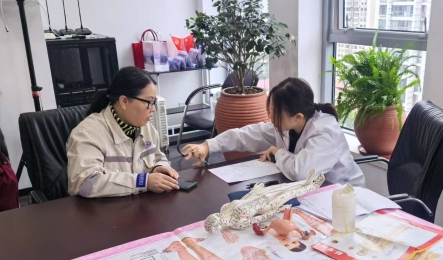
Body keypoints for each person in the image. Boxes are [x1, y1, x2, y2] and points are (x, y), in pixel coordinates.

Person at [184, 77, 365, 187]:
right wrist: (208, 146)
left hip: (345, 195)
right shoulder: (287, 124)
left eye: (275, 113)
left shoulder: (325, 131)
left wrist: (278, 153)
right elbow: (247, 135)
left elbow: (301, 172)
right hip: (313, 192)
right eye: (270, 110)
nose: (270, 117)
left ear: (298, 117)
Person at [67, 67, 179, 198]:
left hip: (139, 205)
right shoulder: (87, 133)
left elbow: (158, 157)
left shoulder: (146, 128)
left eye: (154, 102)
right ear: (124, 101)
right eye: (149, 102)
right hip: (102, 209)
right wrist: (142, 181)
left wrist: (158, 167)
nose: (153, 109)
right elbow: (86, 183)